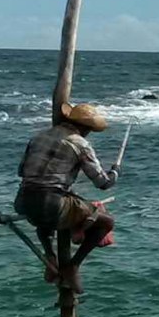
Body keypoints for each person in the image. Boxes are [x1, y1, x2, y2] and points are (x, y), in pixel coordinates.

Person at [16, 102, 119, 286]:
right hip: (51, 204)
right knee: (106, 222)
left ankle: (50, 256)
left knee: (45, 219)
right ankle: (73, 266)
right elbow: (102, 183)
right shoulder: (80, 143)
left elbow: (21, 170)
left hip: (23, 200)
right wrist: (115, 173)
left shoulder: (39, 137)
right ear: (86, 128)